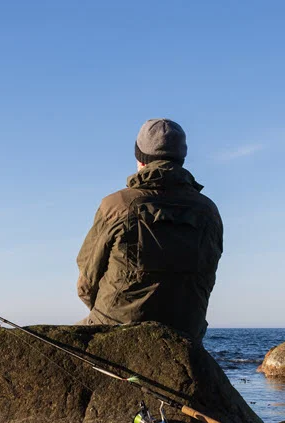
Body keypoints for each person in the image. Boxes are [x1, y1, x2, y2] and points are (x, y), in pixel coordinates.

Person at [75, 118, 223, 342]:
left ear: (140, 158)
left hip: (117, 324)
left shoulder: (116, 205)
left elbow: (86, 282)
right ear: (181, 158)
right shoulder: (208, 210)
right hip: (187, 329)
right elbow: (206, 279)